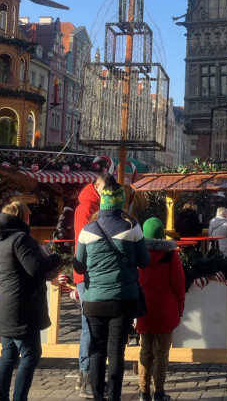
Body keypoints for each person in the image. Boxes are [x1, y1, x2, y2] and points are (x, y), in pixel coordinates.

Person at [74, 181, 149, 401]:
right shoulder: (132, 227)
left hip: (94, 300)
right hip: (123, 299)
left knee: (97, 350)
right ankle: (114, 397)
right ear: (121, 202)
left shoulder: (88, 230)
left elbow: (79, 266)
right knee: (116, 352)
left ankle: (98, 397)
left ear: (103, 202)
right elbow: (144, 262)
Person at [0, 201, 62, 401]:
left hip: (4, 303)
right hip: (21, 306)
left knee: (8, 356)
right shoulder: (21, 238)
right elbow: (35, 268)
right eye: (28, 215)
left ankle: (0, 398)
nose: (30, 219)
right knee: (31, 354)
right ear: (22, 217)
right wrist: (55, 258)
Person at [136, 217, 185, 401]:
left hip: (143, 309)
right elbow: (179, 283)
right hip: (165, 310)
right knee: (161, 353)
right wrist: (180, 305)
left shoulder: (138, 255)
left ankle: (143, 392)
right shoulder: (171, 255)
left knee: (145, 351)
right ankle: (159, 392)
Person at [73, 171, 110, 398]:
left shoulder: (97, 204)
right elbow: (84, 242)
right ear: (97, 186)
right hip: (88, 273)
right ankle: (85, 376)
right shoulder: (88, 206)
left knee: (95, 325)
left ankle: (91, 375)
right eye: (106, 188)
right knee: (89, 325)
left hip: (94, 272)